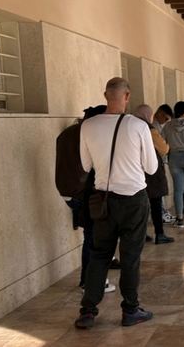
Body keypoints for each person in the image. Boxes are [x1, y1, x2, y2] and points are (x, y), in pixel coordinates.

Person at [74, 77, 158, 329]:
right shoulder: (138, 126)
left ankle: (88, 311)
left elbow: (85, 165)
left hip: (104, 200)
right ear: (127, 96)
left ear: (105, 95)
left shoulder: (88, 126)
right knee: (130, 257)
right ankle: (130, 310)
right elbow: (151, 167)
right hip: (133, 199)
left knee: (100, 254)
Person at [55, 104, 116, 293]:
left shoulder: (67, 133)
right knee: (93, 237)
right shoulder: (90, 135)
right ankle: (89, 282)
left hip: (67, 190)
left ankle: (91, 279)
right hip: (85, 192)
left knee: (91, 235)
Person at [133, 104, 174, 245]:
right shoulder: (149, 129)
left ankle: (141, 234)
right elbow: (163, 149)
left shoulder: (129, 127)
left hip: (135, 170)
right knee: (155, 203)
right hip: (151, 172)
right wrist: (167, 144)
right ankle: (159, 234)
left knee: (140, 205)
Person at [152, 104, 176, 224]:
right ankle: (161, 214)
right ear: (160, 113)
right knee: (158, 192)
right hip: (156, 162)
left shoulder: (158, 126)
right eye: (166, 118)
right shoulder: (154, 126)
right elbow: (163, 147)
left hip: (158, 161)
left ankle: (163, 212)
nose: (166, 121)